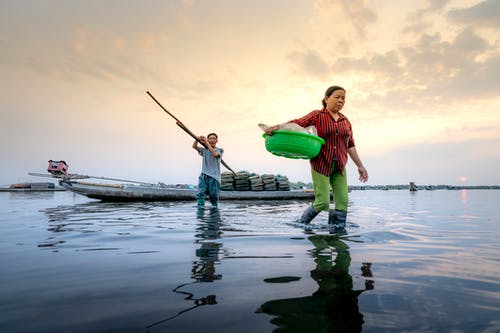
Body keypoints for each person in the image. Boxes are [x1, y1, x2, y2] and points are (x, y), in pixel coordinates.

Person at [264, 85, 368, 229]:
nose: (341, 101)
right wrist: (276, 127)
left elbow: (351, 145)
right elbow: (297, 123)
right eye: (337, 97)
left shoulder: (346, 122)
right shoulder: (317, 115)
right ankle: (301, 224)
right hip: (321, 163)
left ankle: (337, 233)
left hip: (340, 166)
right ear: (326, 98)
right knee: (322, 202)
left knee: (343, 202)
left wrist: (360, 166)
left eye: (343, 98)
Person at [192, 133, 223, 207]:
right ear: (208, 140)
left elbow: (215, 154)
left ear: (217, 140)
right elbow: (194, 146)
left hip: (214, 177)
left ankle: (214, 213)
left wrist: (206, 143)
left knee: (213, 197)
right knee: (200, 194)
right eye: (210, 139)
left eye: (214, 138)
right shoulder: (204, 150)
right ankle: (200, 214)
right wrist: (197, 139)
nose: (212, 140)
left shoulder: (220, 150)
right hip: (204, 175)